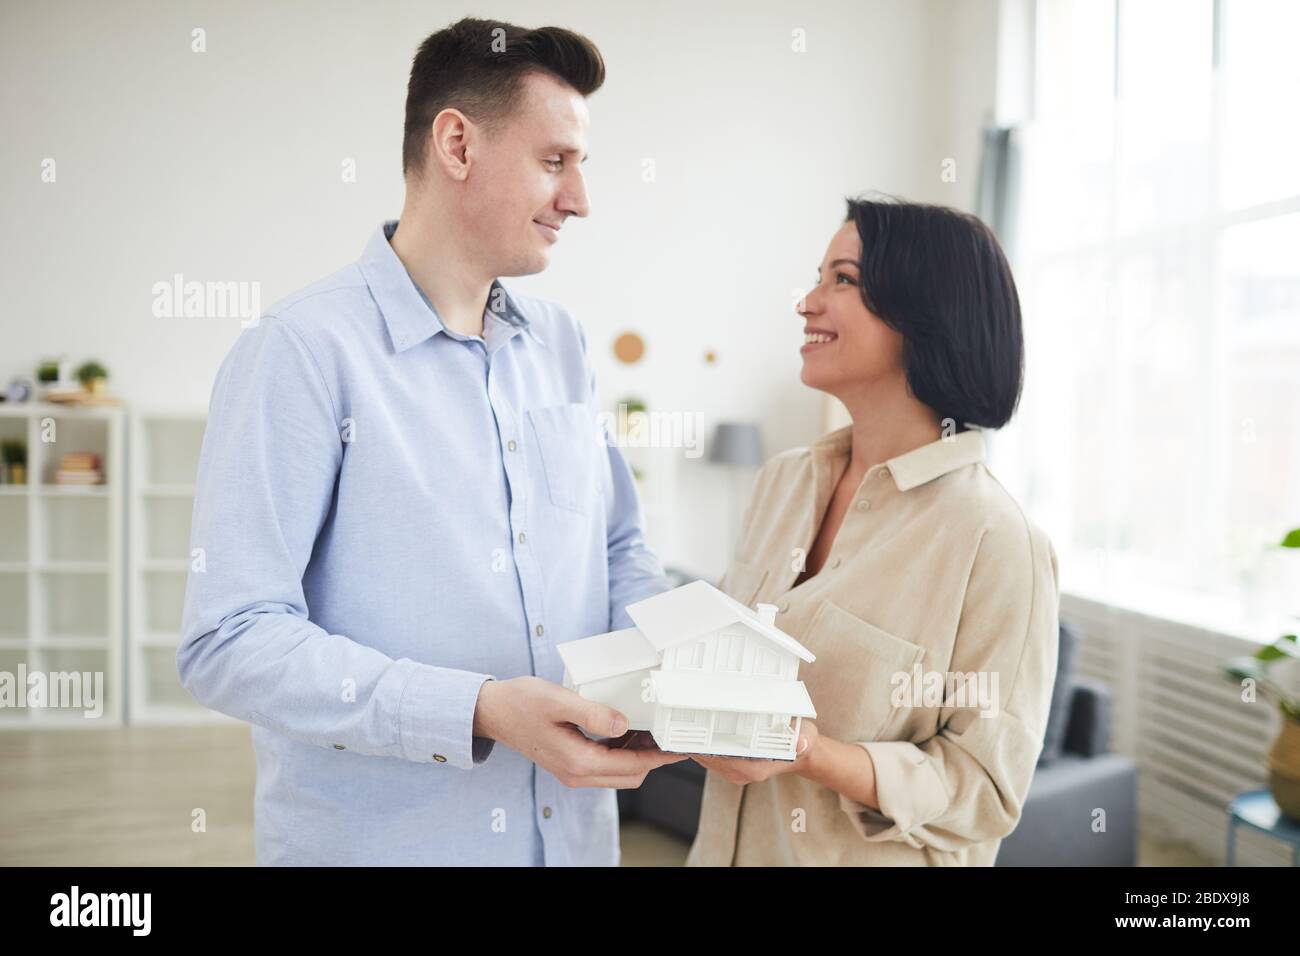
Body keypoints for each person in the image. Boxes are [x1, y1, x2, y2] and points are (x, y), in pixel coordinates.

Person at [178, 17, 684, 867]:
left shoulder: (561, 345)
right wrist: (476, 709)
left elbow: (618, 549)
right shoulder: (300, 352)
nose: (579, 199)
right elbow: (229, 639)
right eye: (554, 161)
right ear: (457, 144)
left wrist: (677, 680)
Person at [685, 197, 1060, 866]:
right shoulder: (783, 481)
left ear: (926, 313)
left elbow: (985, 793)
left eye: (844, 280)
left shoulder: (998, 542)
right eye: (818, 278)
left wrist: (812, 753)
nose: (806, 303)